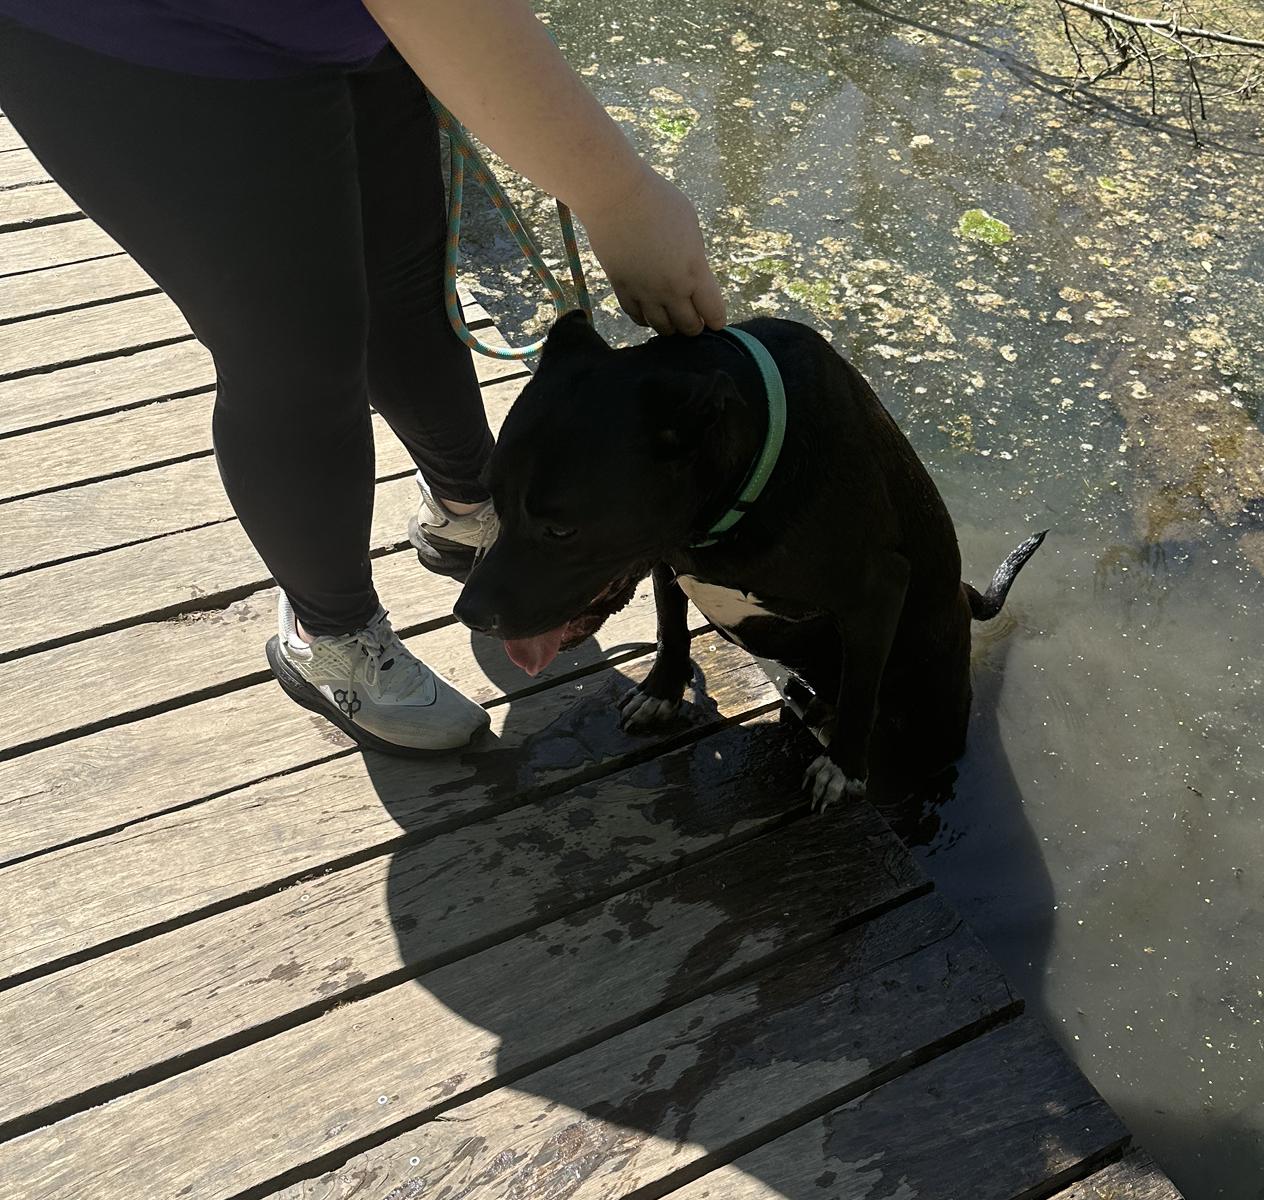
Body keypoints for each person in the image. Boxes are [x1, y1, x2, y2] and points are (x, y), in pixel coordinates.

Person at [0, 0, 728, 754]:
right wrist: (621, 198)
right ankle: (330, 631)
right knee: (294, 356)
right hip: (151, 42)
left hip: (348, 24)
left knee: (405, 290)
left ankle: (464, 503)